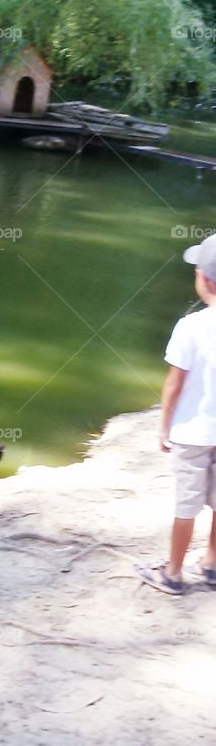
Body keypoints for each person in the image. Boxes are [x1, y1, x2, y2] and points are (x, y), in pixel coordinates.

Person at [137, 232, 216, 595]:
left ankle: (172, 572)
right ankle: (212, 564)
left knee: (186, 505)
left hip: (192, 434)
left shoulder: (191, 326)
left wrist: (163, 427)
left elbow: (174, 385)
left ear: (205, 279)